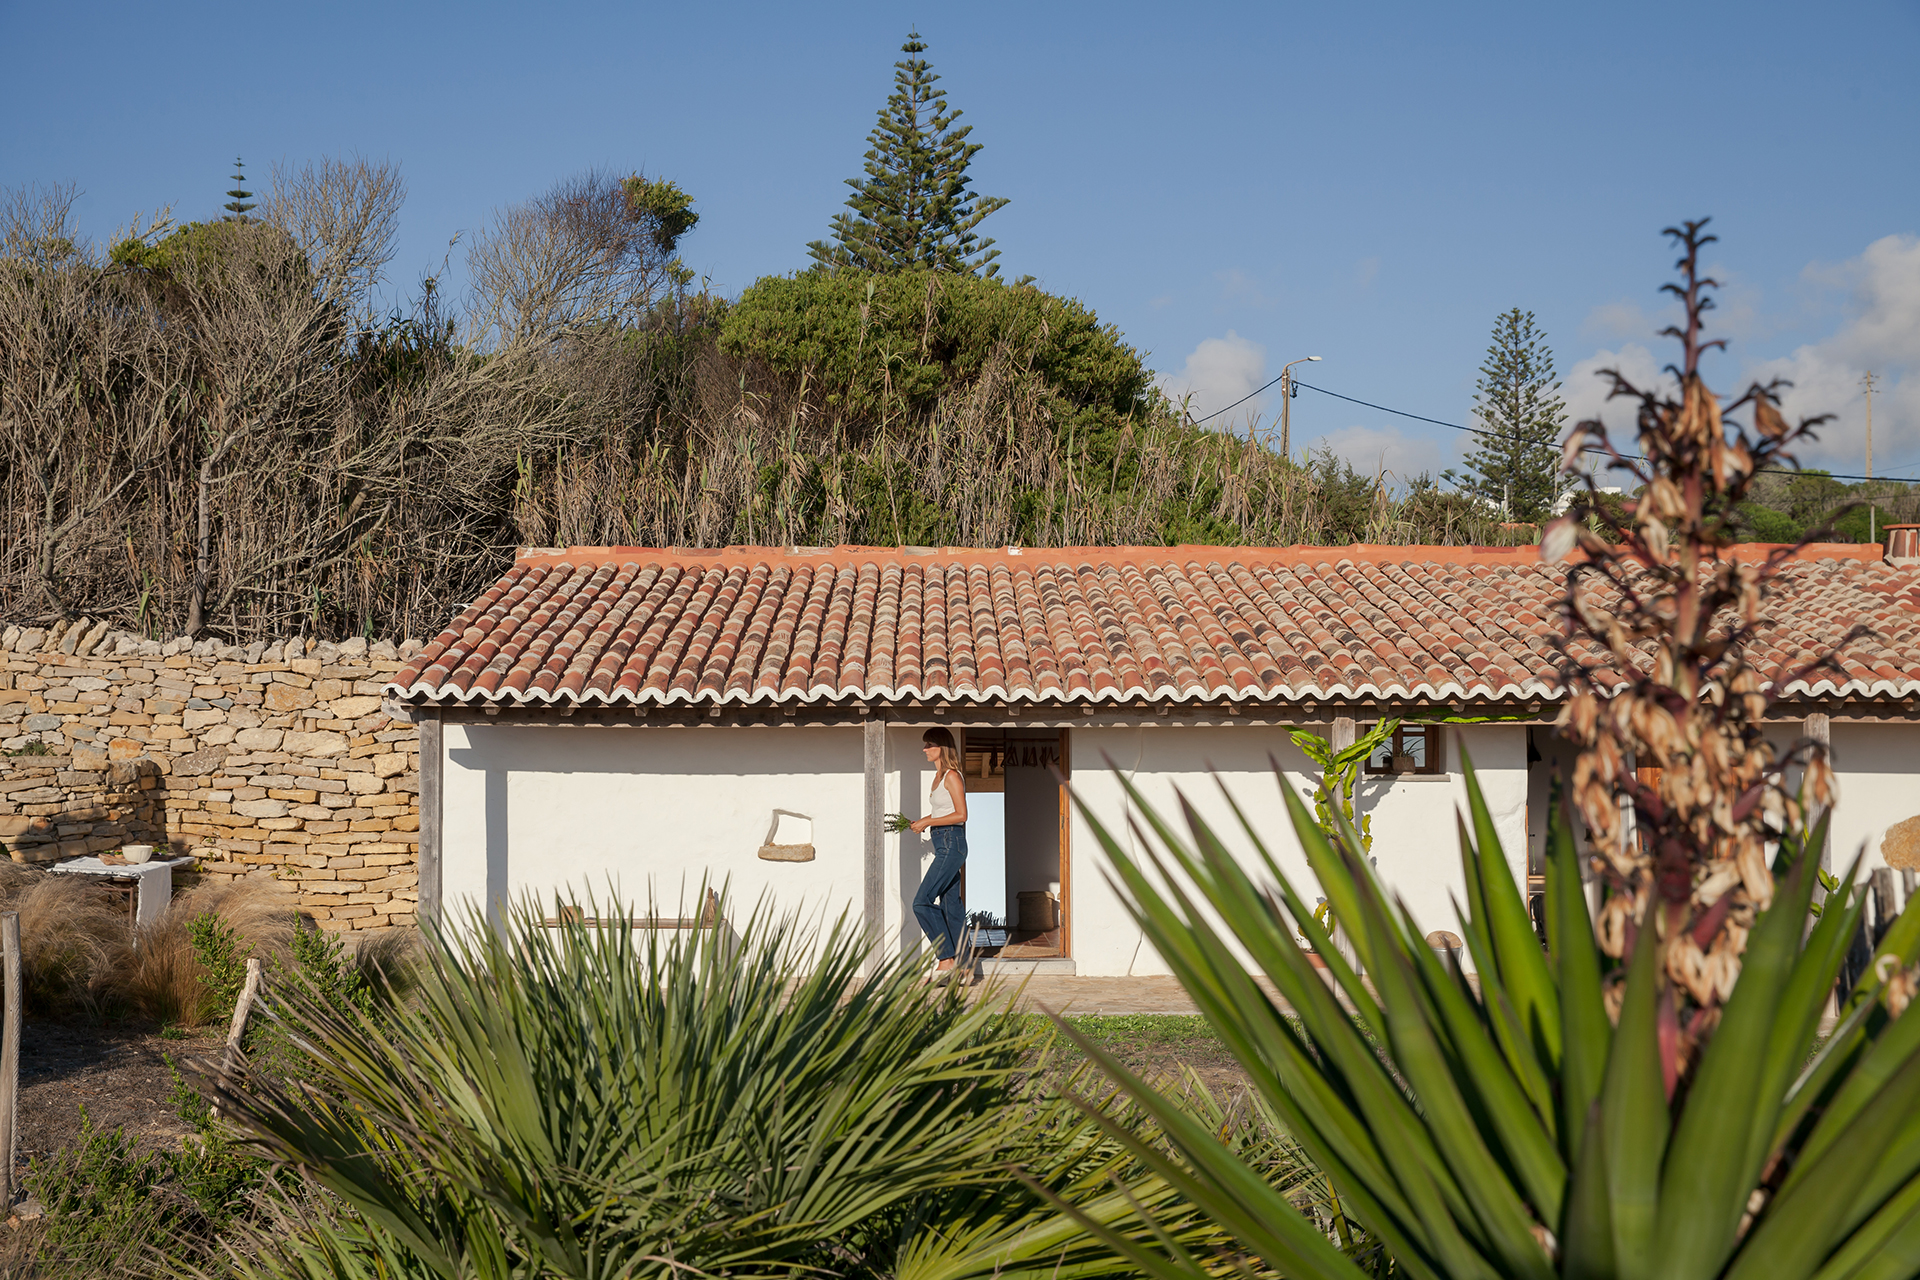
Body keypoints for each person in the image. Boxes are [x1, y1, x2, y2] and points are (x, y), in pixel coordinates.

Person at [910, 727, 969, 980]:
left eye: (929, 745)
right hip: (944, 842)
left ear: (941, 747)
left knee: (921, 902)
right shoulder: (939, 777)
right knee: (951, 905)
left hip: (951, 842)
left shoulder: (952, 776)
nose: (924, 749)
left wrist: (928, 823)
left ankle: (946, 958)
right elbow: (943, 812)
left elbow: (962, 815)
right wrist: (923, 820)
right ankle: (964, 967)